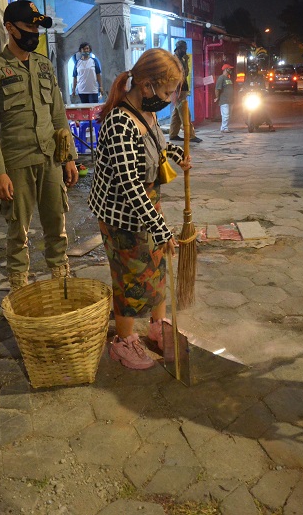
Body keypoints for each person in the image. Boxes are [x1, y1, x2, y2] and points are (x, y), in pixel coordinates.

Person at [88, 48, 192, 370]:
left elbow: (157, 144)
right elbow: (130, 185)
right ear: (145, 86)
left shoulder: (146, 114)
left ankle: (157, 327)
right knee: (130, 277)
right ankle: (123, 341)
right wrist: (161, 229)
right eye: (164, 92)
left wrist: (176, 154)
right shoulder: (120, 122)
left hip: (147, 204)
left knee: (157, 268)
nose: (167, 99)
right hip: (122, 214)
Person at [0, 0, 79, 291]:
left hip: (50, 159)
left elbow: (58, 114)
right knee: (18, 230)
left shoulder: (44, 66)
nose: (34, 32)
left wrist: (68, 157)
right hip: (16, 162)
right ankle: (19, 286)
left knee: (56, 224)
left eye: (37, 27)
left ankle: (61, 280)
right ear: (10, 28)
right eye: (28, 26)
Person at [168, 40, 201, 143]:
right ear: (178, 48)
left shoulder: (181, 59)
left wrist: (186, 62)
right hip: (178, 89)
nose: (185, 51)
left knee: (177, 113)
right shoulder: (173, 60)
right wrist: (175, 91)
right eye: (184, 49)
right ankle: (190, 135)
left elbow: (185, 74)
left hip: (183, 88)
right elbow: (174, 76)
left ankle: (173, 134)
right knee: (184, 111)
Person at [214, 63, 235, 133]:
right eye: (229, 69)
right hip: (224, 100)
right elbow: (217, 89)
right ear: (226, 69)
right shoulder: (221, 78)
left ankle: (223, 128)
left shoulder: (228, 78)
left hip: (230, 100)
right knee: (225, 115)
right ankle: (225, 128)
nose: (231, 70)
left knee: (228, 115)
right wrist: (217, 97)